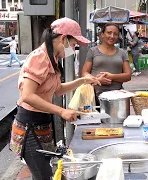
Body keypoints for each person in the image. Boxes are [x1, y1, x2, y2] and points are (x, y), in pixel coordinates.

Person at [9, 17, 103, 180]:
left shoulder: (52, 58)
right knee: (43, 175)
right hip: (29, 126)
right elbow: (27, 96)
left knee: (43, 173)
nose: (73, 49)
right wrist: (61, 111)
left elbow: (58, 90)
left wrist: (83, 80)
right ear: (63, 38)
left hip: (42, 123)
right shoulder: (39, 58)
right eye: (74, 45)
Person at [82, 23, 132, 105]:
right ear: (102, 34)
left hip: (117, 96)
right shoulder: (93, 51)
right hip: (94, 96)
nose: (112, 36)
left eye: (115, 34)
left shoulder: (122, 53)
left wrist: (111, 77)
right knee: (96, 117)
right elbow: (84, 73)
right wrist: (96, 80)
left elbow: (128, 75)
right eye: (109, 33)